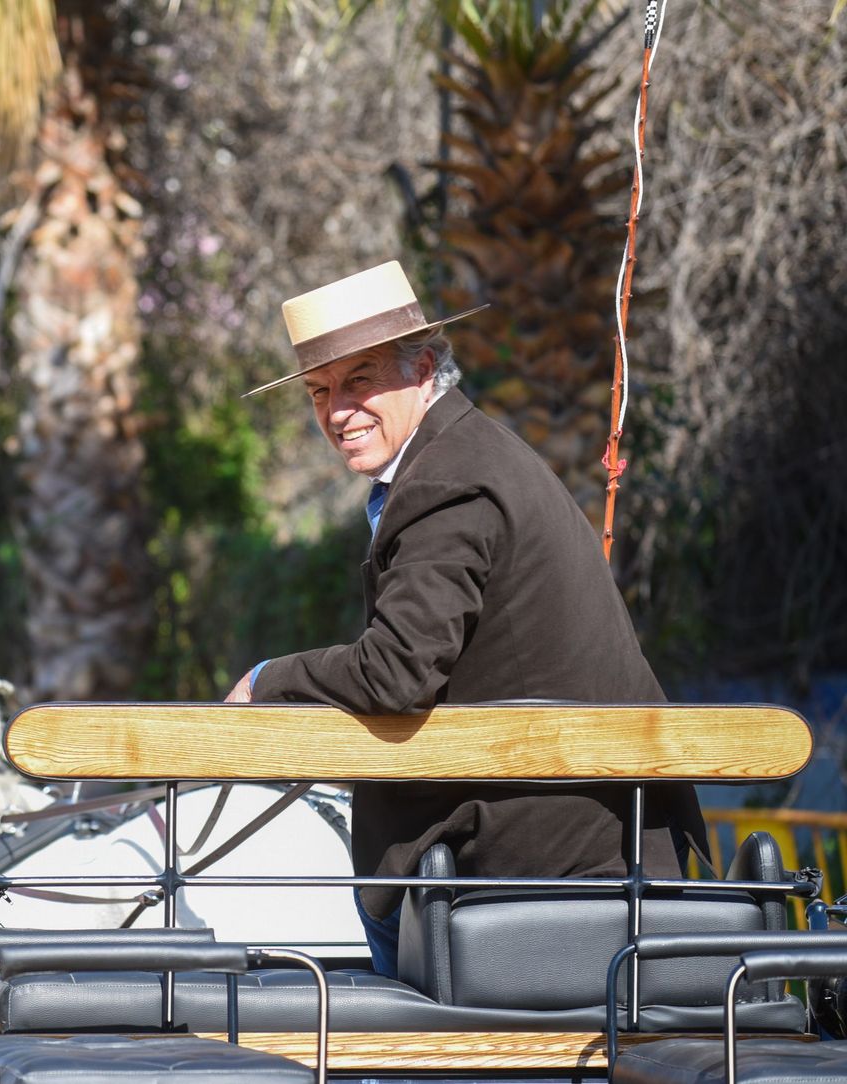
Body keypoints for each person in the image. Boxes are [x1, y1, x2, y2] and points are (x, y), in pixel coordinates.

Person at [224, 260, 707, 978]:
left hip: (541, 863)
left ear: (423, 370)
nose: (336, 411)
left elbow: (396, 670)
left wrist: (268, 681)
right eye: (321, 391)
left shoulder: (447, 481)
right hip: (586, 839)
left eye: (359, 380)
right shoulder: (469, 453)